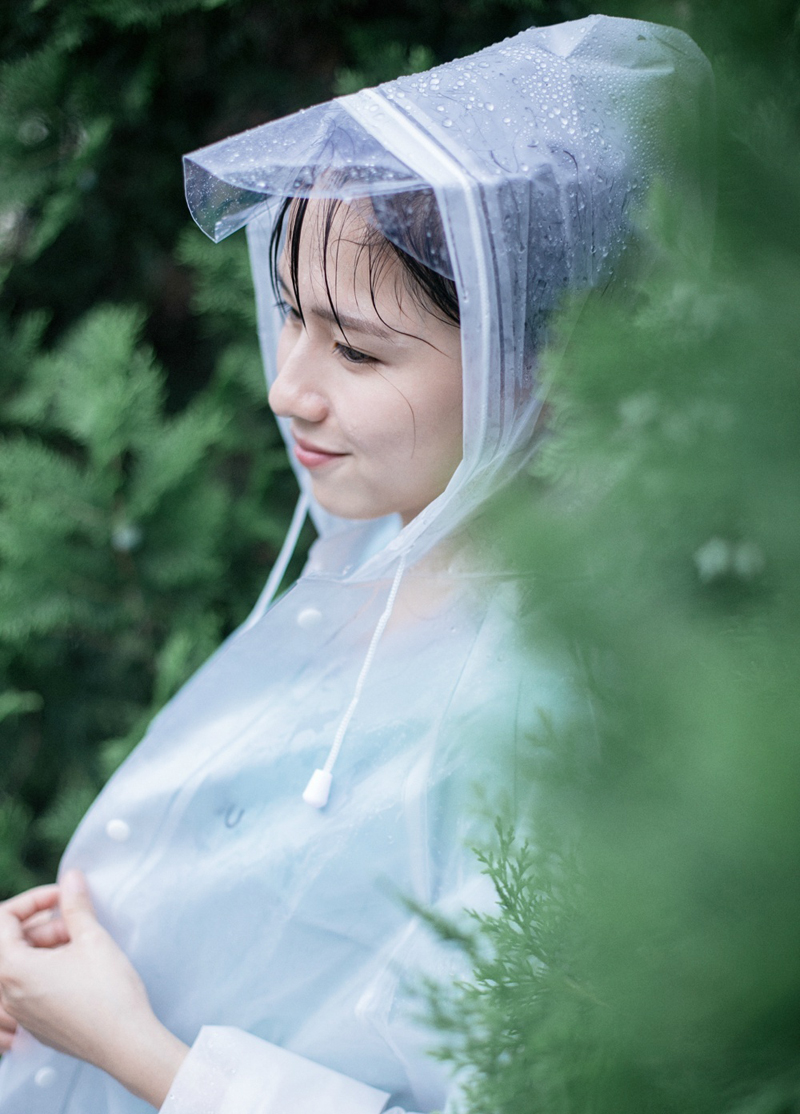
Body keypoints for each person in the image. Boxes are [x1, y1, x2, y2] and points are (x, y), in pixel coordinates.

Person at [0, 14, 712, 1114]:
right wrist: (69, 950)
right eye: (289, 314)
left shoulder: (557, 706)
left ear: (539, 367)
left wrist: (125, 1042)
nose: (288, 386)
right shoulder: (382, 542)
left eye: (358, 348)